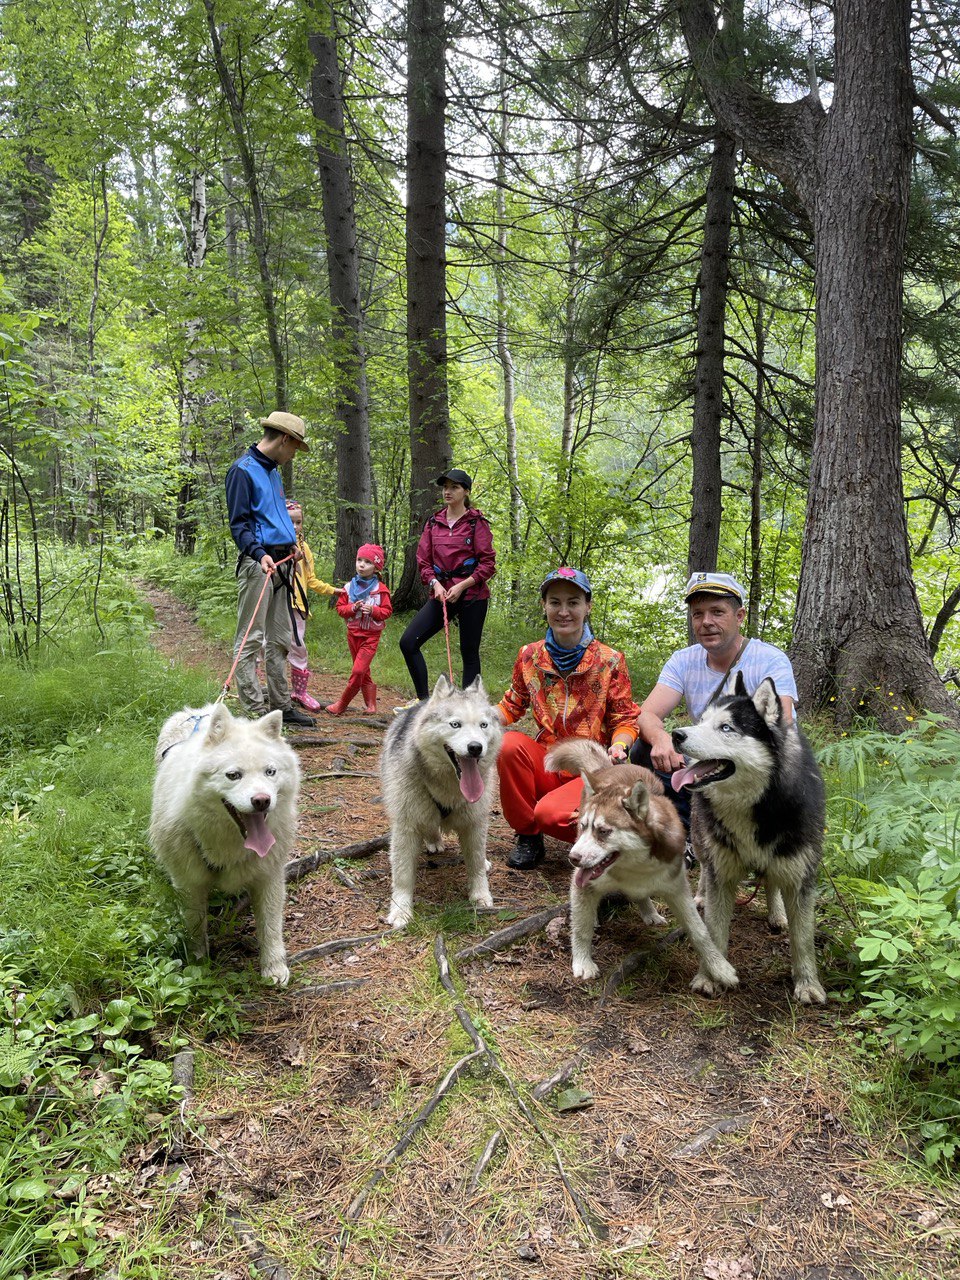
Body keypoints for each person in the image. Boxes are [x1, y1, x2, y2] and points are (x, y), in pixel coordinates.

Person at [495, 567, 640, 870]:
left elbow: (625, 718)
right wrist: (475, 719)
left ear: (588, 607)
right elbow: (512, 705)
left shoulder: (609, 659)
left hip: (593, 770)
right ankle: (527, 835)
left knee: (550, 816)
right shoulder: (529, 656)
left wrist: (620, 746)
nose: (564, 611)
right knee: (508, 745)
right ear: (544, 606)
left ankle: (601, 838)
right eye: (555, 602)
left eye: (573, 602)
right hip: (548, 760)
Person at [630, 571, 798, 823]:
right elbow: (646, 714)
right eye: (698, 614)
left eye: (717, 612)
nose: (706, 621)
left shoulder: (770, 660)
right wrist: (660, 738)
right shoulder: (683, 660)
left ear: (739, 616)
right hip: (705, 753)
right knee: (643, 748)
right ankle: (685, 826)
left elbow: (780, 724)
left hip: (748, 762)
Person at [225, 410, 316, 728]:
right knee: (251, 639)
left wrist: (290, 542)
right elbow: (240, 524)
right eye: (294, 448)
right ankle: (253, 709)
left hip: (283, 564)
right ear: (284, 439)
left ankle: (280, 707)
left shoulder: (273, 472)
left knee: (280, 639)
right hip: (259, 565)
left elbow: (275, 515)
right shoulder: (243, 470)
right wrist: (258, 552)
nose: (293, 455)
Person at [397, 469, 495, 709]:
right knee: (408, 642)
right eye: (445, 487)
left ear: (466, 492)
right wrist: (435, 584)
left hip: (472, 595)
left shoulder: (476, 523)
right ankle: (423, 701)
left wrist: (462, 585)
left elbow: (488, 564)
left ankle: (470, 707)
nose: (448, 491)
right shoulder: (434, 522)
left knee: (469, 651)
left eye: (454, 487)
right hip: (441, 594)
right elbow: (423, 561)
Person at [325, 543, 393, 716]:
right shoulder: (348, 588)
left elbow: (387, 611)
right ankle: (371, 705)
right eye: (359, 560)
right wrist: (353, 608)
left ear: (376, 567)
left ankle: (342, 704)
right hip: (353, 634)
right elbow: (340, 609)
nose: (362, 565)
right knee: (363, 670)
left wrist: (373, 610)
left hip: (371, 637)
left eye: (368, 562)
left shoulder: (380, 590)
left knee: (358, 670)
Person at [284, 500, 336, 713]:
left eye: (298, 522)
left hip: (299, 607)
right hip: (279, 604)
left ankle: (299, 691)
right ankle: (261, 687)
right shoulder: (275, 545)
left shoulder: (305, 548)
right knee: (267, 644)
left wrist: (334, 591)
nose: (295, 527)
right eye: (290, 522)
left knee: (299, 646)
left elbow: (311, 580)